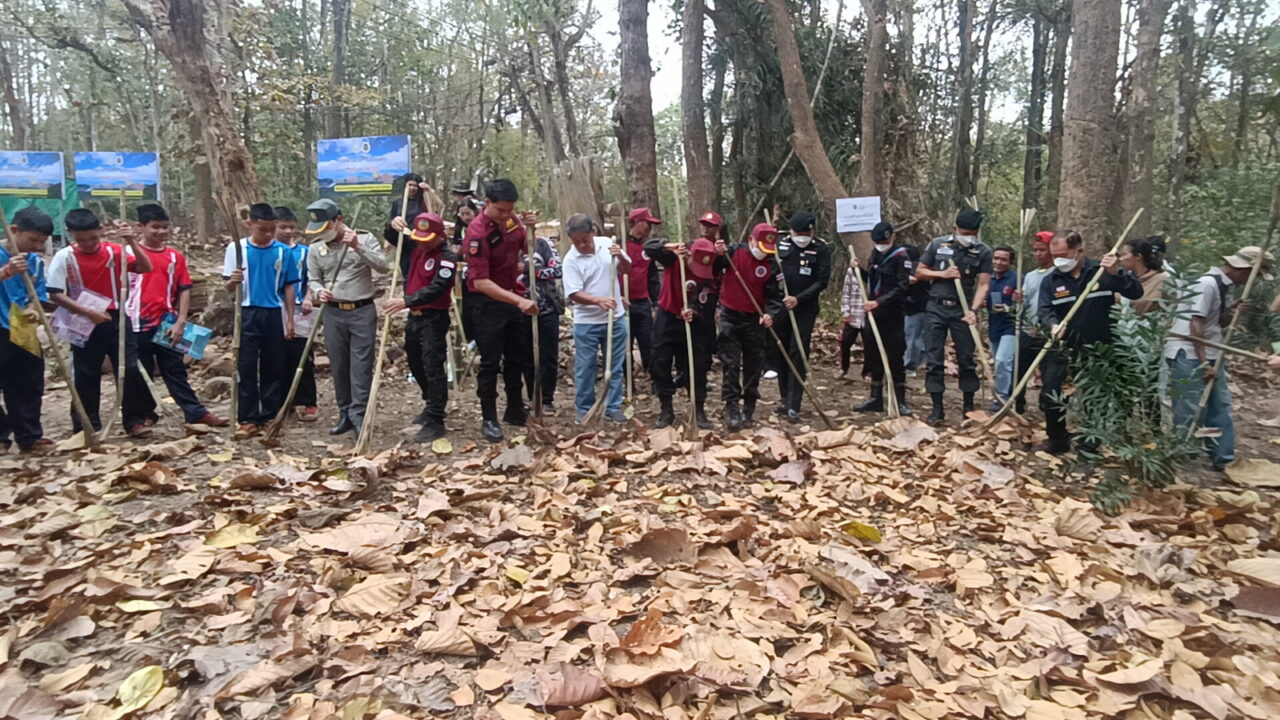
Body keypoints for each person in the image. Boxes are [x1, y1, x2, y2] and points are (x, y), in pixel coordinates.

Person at [1165, 246, 1274, 470]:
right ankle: (1185, 455)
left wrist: (1231, 310)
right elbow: (1195, 324)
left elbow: (1217, 321)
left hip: (1213, 352)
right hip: (1190, 354)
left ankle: (1220, 454)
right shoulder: (1206, 284)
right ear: (1244, 270)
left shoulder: (1227, 287)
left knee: (1219, 405)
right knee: (1190, 408)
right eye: (1254, 276)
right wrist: (1204, 363)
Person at [48, 208, 154, 436]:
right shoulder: (65, 256)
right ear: (70, 234)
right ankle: (86, 425)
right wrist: (88, 312)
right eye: (82, 240)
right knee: (86, 372)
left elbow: (146, 267)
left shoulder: (115, 252)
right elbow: (55, 293)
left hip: (116, 317)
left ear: (101, 230)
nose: (88, 244)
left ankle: (134, 420)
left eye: (93, 238)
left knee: (129, 368)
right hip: (83, 318)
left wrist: (131, 241)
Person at [1035, 231, 1143, 454]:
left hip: (1098, 346)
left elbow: (1135, 292)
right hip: (1063, 346)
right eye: (1055, 256)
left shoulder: (1102, 271)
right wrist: (1052, 324)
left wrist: (1116, 273)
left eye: (1063, 255)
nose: (1058, 261)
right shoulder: (1051, 280)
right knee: (1051, 393)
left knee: (1094, 397)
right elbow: (1044, 310)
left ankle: (1089, 445)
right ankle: (1057, 439)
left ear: (1079, 251)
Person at [130, 203, 227, 428]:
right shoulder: (128, 254)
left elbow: (184, 288)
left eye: (165, 227)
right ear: (141, 226)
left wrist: (182, 320)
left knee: (176, 370)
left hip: (167, 321)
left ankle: (195, 412)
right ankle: (144, 414)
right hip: (135, 322)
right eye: (155, 227)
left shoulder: (175, 257)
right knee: (140, 371)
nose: (161, 232)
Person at [305, 198, 387, 436]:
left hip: (361, 311)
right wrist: (319, 292)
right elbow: (313, 279)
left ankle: (359, 414)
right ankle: (345, 413)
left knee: (360, 366)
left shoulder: (364, 238)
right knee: (339, 364)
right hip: (333, 313)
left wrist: (358, 247)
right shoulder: (315, 248)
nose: (323, 234)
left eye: (326, 227)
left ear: (338, 220)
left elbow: (383, 266)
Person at [465, 178, 539, 443]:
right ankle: (489, 417)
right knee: (490, 362)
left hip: (512, 297)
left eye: (510, 209)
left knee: (516, 357)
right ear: (487, 203)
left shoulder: (512, 221)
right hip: (486, 303)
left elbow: (527, 248)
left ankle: (515, 407)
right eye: (501, 210)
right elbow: (480, 282)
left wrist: (531, 229)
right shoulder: (476, 233)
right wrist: (518, 301)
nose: (507, 215)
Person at [223, 203, 298, 434]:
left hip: (273, 312)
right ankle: (247, 418)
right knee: (245, 365)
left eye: (271, 230)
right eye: (262, 229)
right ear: (250, 224)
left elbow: (289, 286)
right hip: (246, 312)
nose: (267, 234)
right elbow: (228, 286)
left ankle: (269, 415)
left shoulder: (283, 251)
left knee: (273, 365)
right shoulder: (237, 249)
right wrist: (233, 281)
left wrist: (290, 319)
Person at [384, 212, 457, 442]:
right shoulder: (415, 248)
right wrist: (392, 225)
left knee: (433, 365)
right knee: (415, 362)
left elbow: (438, 286)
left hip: (433, 317)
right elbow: (393, 237)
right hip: (414, 317)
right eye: (420, 238)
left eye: (428, 239)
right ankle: (430, 402)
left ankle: (436, 418)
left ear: (440, 236)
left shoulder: (447, 258)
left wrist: (406, 301)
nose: (423, 243)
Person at [917, 209, 992, 424]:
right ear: (955, 229)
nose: (969, 237)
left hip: (963, 309)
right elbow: (920, 271)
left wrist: (973, 310)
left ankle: (968, 407)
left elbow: (984, 284)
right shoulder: (938, 244)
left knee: (966, 358)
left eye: (973, 234)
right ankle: (937, 409)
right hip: (936, 307)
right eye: (965, 233)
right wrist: (941, 274)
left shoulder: (983, 251)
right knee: (934, 359)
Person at [562, 214, 630, 423]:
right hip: (587, 323)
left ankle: (613, 407)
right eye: (577, 242)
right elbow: (573, 293)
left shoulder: (608, 244)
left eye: (585, 239)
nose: (582, 245)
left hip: (615, 318)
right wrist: (597, 300)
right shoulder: (570, 260)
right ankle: (584, 408)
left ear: (592, 232)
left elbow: (626, 269)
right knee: (585, 367)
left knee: (615, 366)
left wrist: (620, 257)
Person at [716, 223, 782, 431]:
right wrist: (719, 253)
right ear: (751, 240)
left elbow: (774, 296)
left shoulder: (772, 263)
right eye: (760, 247)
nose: (763, 252)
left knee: (754, 364)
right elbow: (714, 268)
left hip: (755, 320)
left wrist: (770, 314)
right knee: (731, 363)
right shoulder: (734, 252)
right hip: (730, 316)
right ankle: (732, 407)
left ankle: (749, 408)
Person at [0, 207, 54, 453]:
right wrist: (6, 272)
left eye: (42, 242)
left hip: (22, 327)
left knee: (28, 382)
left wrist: (34, 308)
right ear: (14, 230)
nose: (37, 246)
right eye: (32, 240)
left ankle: (29, 436)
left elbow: (38, 293)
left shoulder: (35, 262)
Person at [774, 210, 832, 422]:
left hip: (805, 309)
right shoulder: (780, 244)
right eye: (798, 233)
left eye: (805, 234)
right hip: (780, 307)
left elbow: (822, 281)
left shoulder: (820, 249)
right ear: (791, 231)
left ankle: (794, 404)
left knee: (797, 352)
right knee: (781, 351)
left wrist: (799, 299)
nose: (802, 237)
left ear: (811, 232)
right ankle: (784, 398)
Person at [855, 221, 913, 415]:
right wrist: (858, 270)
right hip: (873, 314)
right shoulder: (875, 254)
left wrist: (879, 302)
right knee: (873, 356)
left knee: (895, 357)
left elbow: (901, 288)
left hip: (892, 315)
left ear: (892, 237)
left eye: (884, 241)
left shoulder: (901, 257)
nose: (880, 245)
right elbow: (871, 279)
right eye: (878, 242)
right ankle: (875, 398)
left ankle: (900, 401)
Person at [274, 206, 317, 423]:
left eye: (292, 227)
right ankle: (283, 402)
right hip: (275, 308)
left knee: (302, 355)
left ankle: (308, 401)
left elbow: (312, 278)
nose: (288, 231)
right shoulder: (271, 250)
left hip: (300, 309)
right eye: (283, 227)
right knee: (278, 356)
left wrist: (309, 296)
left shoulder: (304, 252)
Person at [1012, 231, 1055, 413]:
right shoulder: (1030, 276)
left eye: (1042, 250)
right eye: (1035, 250)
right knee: (1019, 369)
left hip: (1049, 332)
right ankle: (1017, 404)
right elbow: (1027, 302)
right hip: (1028, 330)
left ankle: (1047, 405)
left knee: (1049, 372)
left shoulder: (1058, 274)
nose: (1038, 254)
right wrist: (1019, 300)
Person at [521, 232, 564, 414]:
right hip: (520, 308)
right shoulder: (508, 244)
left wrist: (530, 269)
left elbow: (558, 270)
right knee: (526, 356)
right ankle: (533, 396)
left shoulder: (544, 244)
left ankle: (547, 399)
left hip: (547, 308)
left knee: (548, 355)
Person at [622, 207, 661, 377]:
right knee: (625, 344)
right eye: (647, 223)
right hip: (623, 303)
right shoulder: (620, 245)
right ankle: (628, 380)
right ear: (637, 222)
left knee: (649, 341)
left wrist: (656, 302)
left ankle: (654, 377)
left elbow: (653, 277)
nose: (650, 228)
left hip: (643, 302)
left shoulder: (648, 248)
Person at [987, 246, 1018, 409]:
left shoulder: (1017, 279)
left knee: (1002, 360)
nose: (998, 262)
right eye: (996, 258)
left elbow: (1024, 303)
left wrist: (1011, 306)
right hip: (994, 326)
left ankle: (1002, 398)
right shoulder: (988, 279)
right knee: (999, 362)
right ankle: (1007, 393)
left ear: (1010, 262)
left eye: (1003, 259)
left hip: (1011, 326)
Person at [450, 197, 482, 349]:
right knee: (465, 306)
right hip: (463, 272)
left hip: (479, 271)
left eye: (468, 213)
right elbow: (456, 249)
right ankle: (467, 337)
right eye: (462, 214)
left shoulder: (481, 227)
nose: (465, 217)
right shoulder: (460, 230)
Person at [1120, 235, 1168, 315]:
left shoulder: (1162, 280)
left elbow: (1171, 309)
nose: (1120, 259)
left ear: (1138, 256)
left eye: (1124, 255)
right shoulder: (1120, 278)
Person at [901, 242, 928, 372]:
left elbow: (912, 279)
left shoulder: (915, 266)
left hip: (917, 308)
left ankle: (910, 366)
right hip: (911, 308)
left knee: (913, 339)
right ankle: (918, 362)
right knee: (914, 337)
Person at [838, 252, 865, 378]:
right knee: (845, 342)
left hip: (868, 315)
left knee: (870, 345)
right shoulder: (851, 271)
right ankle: (844, 368)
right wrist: (846, 311)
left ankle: (868, 371)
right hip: (854, 314)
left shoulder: (874, 271)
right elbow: (846, 292)